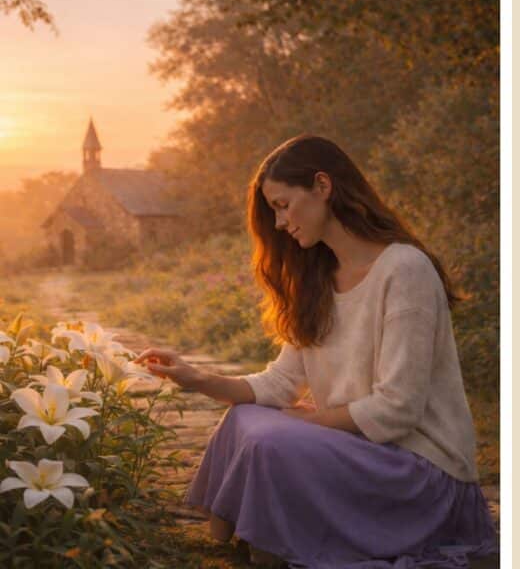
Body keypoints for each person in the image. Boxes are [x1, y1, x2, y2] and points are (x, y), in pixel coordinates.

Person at [134, 135, 498, 568]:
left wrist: (312, 423)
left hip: (419, 470)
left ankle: (279, 545)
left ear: (322, 186)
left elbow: (398, 408)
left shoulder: (404, 269)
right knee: (244, 419)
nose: (280, 222)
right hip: (358, 450)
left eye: (283, 205)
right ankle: (256, 542)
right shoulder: (318, 278)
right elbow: (280, 382)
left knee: (272, 442)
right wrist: (193, 377)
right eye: (273, 211)